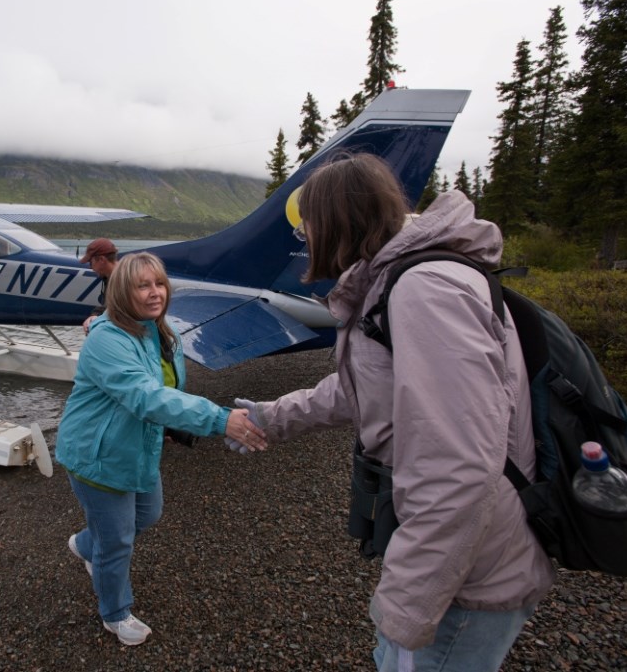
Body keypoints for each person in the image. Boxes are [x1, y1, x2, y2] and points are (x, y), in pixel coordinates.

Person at [236, 154, 554, 671]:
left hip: (472, 570)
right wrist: (273, 415)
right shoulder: (399, 282)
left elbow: (459, 467)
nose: (305, 238)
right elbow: (364, 386)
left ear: (336, 219)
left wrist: (406, 614)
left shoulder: (422, 291)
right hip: (463, 553)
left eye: (307, 224)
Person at [55, 251, 267, 646]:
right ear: (121, 291)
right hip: (96, 454)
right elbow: (145, 395)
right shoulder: (107, 340)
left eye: (159, 284)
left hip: (138, 445)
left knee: (146, 515)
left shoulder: (159, 332)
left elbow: (164, 391)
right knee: (117, 540)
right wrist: (220, 419)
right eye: (143, 285)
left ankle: (86, 544)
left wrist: (173, 427)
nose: (155, 293)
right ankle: (115, 614)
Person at [79, 237, 118, 334]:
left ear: (101, 260)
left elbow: (121, 311)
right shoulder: (111, 277)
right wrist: (95, 315)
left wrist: (98, 318)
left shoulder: (123, 279)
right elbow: (110, 306)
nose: (91, 268)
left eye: (91, 263)